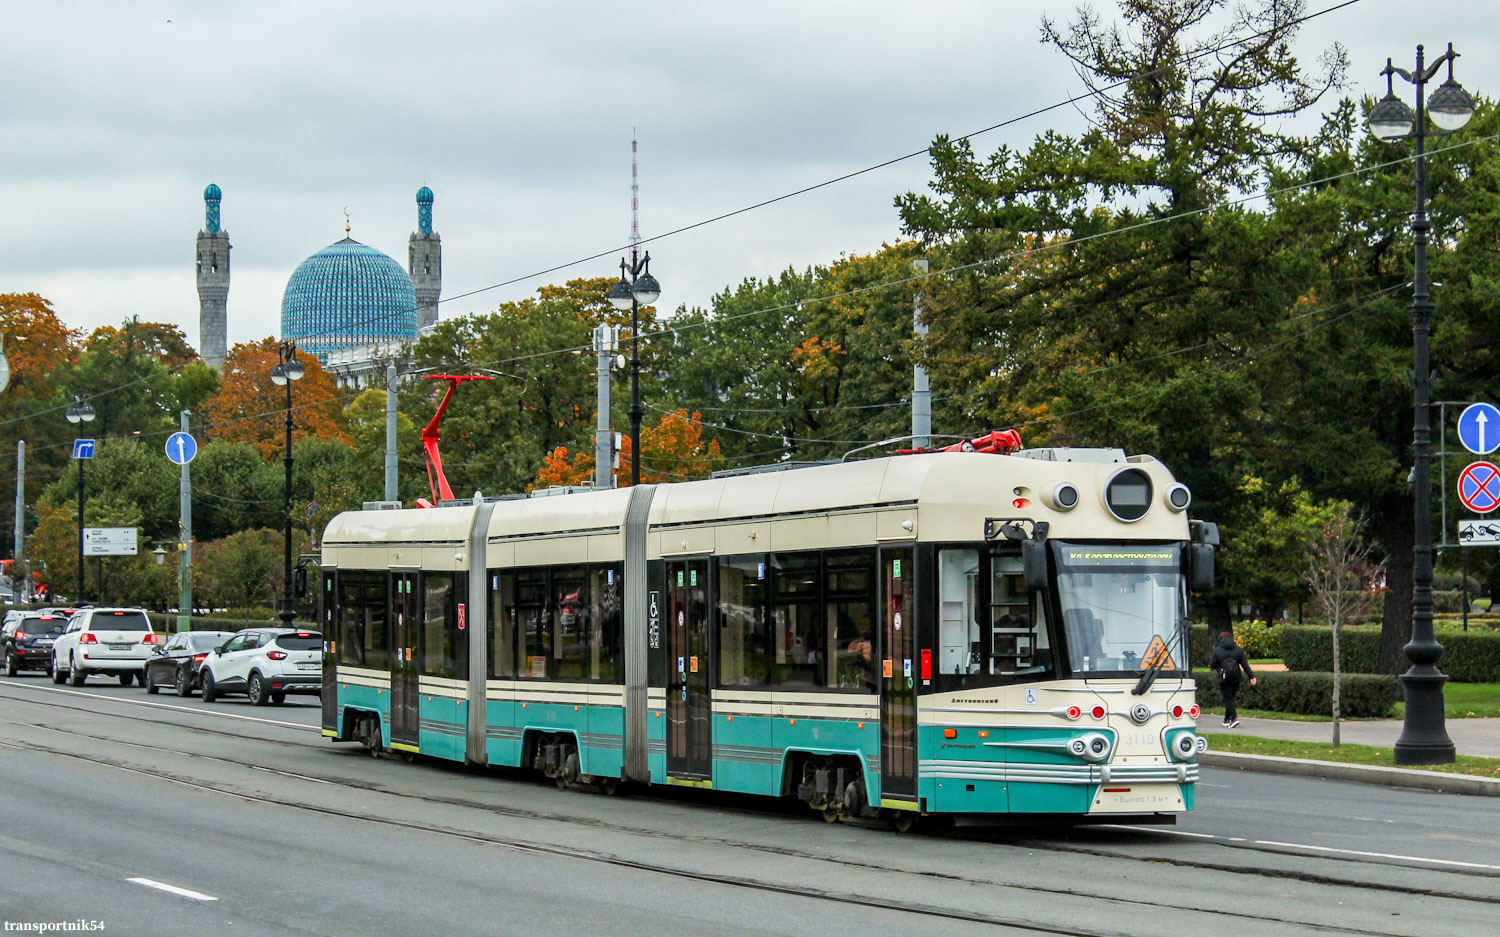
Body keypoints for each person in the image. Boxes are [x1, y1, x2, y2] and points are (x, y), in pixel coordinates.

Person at [1209, 631, 1256, 728]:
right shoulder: (1238, 650)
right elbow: (1245, 665)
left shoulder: (1218, 651)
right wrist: (1251, 676)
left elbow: (1212, 665)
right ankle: (1226, 719)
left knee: (1228, 698)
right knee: (1230, 698)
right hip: (1236, 678)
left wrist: (1219, 667)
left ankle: (1234, 718)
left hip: (1224, 678)